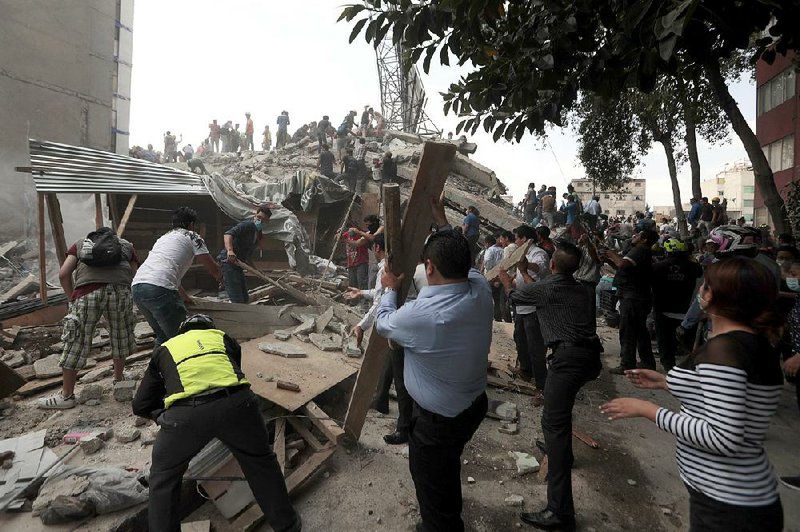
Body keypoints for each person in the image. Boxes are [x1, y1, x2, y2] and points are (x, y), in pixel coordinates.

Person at [601, 258, 784, 531]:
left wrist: (647, 410)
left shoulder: (724, 351)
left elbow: (724, 437)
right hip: (735, 496)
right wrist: (667, 383)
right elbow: (729, 398)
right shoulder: (752, 344)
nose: (699, 290)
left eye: (705, 286)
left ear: (716, 296)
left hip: (728, 502)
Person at [375, 196, 492, 531]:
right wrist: (441, 219)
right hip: (471, 405)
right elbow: (462, 260)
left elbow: (384, 323)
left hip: (439, 423)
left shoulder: (421, 316)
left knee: (430, 483)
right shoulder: (480, 288)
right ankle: (443, 516)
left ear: (428, 268)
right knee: (445, 471)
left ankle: (439, 525)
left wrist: (388, 289)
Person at [132, 315, 301, 532]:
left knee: (163, 480)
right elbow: (234, 370)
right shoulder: (223, 337)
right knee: (261, 462)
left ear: (183, 332)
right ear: (209, 328)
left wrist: (162, 416)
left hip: (185, 415)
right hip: (237, 405)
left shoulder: (165, 348)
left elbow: (140, 404)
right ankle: (287, 525)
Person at [499, 242, 602, 531]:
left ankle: (560, 512)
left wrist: (508, 280)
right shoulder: (583, 288)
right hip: (589, 359)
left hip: (567, 360)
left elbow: (516, 297)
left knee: (553, 424)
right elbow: (541, 289)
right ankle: (561, 451)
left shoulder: (544, 289)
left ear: (553, 265)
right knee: (560, 413)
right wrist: (527, 275)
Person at [38, 228, 139, 410]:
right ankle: (119, 380)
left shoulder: (80, 244)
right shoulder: (126, 246)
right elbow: (136, 275)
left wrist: (72, 298)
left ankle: (67, 396)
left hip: (87, 293)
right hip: (120, 292)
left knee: (76, 340)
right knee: (120, 335)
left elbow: (63, 274)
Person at [132, 207, 223, 347]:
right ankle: (185, 367)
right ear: (191, 224)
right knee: (182, 335)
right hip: (158, 289)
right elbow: (212, 268)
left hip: (138, 287)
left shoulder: (163, 238)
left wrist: (186, 298)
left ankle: (155, 368)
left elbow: (171, 278)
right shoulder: (193, 236)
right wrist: (222, 278)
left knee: (163, 337)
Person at [602, 229, 659, 373]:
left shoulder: (639, 250)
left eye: (639, 235)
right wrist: (609, 259)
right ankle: (647, 363)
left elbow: (622, 264)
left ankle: (627, 364)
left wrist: (611, 254)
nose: (634, 237)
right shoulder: (641, 251)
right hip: (637, 296)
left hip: (633, 297)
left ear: (644, 239)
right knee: (640, 331)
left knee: (628, 332)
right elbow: (623, 268)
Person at [509, 225, 549, 404]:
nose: (515, 241)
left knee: (536, 348)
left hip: (534, 308)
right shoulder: (520, 253)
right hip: (521, 305)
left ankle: (542, 386)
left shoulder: (538, 253)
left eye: (516, 238)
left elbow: (540, 268)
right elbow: (519, 275)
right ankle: (525, 371)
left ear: (524, 239)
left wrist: (526, 266)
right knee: (520, 339)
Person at [651, 238, 703, 371]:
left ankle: (669, 368)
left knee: (664, 342)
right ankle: (689, 368)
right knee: (686, 342)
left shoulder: (658, 267)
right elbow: (699, 273)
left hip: (663, 310)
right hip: (684, 311)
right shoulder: (694, 267)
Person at [218, 205, 271, 304]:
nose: (260, 221)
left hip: (238, 265)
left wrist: (256, 270)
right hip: (229, 262)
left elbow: (247, 256)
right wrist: (230, 250)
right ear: (255, 216)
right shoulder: (247, 225)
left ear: (267, 222)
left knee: (245, 297)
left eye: (263, 220)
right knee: (237, 298)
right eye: (259, 217)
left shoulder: (257, 233)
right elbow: (228, 234)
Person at [341, 225, 369, 290]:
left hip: (361, 263)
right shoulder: (347, 234)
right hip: (351, 264)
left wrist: (345, 240)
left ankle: (363, 299)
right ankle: (353, 299)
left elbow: (357, 243)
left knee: (362, 283)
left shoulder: (363, 234)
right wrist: (338, 234)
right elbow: (338, 238)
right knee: (352, 284)